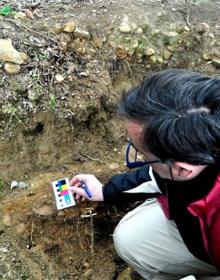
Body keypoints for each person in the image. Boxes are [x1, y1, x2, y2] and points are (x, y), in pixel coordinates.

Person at [70, 69, 220, 280]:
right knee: (130, 239)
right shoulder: (200, 146)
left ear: (184, 169)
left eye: (142, 153)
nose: (138, 157)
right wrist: (104, 191)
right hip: (199, 236)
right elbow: (156, 175)